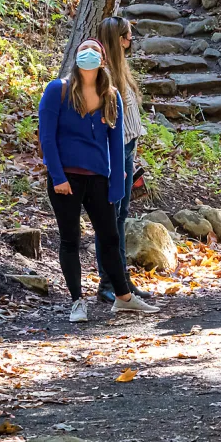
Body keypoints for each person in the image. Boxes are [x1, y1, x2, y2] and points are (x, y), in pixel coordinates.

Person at [37, 38, 160, 322]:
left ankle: (123, 298)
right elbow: (47, 137)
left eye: (94, 51)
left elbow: (116, 144)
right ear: (76, 59)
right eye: (83, 51)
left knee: (110, 237)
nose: (88, 55)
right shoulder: (58, 90)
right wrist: (57, 176)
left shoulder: (110, 95)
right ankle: (77, 302)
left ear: (103, 60)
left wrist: (117, 185)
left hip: (99, 179)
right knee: (70, 239)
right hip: (66, 179)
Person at [94, 16, 152, 304]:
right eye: (128, 37)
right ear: (118, 40)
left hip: (128, 150)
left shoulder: (121, 70)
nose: (131, 42)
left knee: (121, 216)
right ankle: (108, 282)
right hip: (113, 155)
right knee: (110, 220)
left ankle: (122, 280)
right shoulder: (102, 75)